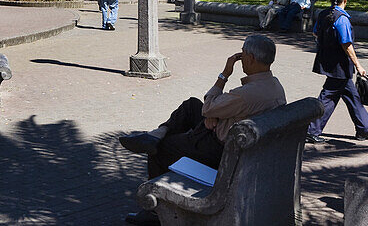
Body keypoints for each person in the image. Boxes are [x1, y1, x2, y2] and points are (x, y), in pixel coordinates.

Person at [118, 35, 286, 226]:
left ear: (251, 59)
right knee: (191, 105)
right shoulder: (275, 86)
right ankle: (156, 134)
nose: (240, 57)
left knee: (162, 148)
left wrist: (224, 74)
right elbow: (219, 110)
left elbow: (209, 107)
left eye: (243, 53)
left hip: (218, 149)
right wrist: (215, 115)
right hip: (238, 141)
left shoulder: (246, 94)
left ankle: (156, 212)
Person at [306, 0, 368, 143]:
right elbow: (347, 44)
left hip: (329, 61)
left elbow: (315, 33)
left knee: (352, 96)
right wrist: (358, 65)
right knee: (328, 96)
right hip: (339, 65)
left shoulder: (324, 14)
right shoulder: (342, 18)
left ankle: (363, 129)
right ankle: (312, 129)